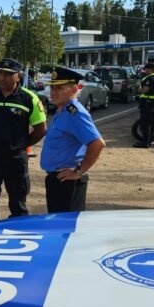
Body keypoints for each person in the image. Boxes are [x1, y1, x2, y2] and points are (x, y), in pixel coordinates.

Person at [0, 57, 47, 224]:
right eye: (0, 73)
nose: (2, 77)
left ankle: (17, 241)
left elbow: (41, 129)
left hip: (15, 160)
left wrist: (22, 144)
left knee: (18, 206)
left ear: (18, 76)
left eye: (7, 74)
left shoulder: (29, 98)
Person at [40, 67, 106, 213]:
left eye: (59, 88)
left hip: (68, 183)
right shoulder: (62, 110)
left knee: (66, 229)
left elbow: (97, 143)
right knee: (58, 227)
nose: (53, 92)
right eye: (52, 87)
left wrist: (79, 171)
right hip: (58, 180)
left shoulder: (74, 113)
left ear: (73, 89)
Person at [134, 61, 154, 148]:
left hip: (147, 101)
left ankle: (145, 142)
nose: (145, 70)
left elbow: (145, 90)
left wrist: (137, 90)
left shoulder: (150, 78)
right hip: (152, 101)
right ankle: (147, 141)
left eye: (146, 69)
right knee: (148, 122)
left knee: (145, 123)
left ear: (150, 69)